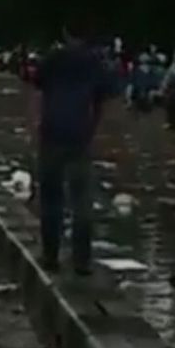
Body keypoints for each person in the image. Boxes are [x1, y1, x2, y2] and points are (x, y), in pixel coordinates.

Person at [31, 23, 117, 276]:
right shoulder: (95, 62)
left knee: (51, 199)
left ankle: (50, 257)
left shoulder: (52, 58)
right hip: (80, 137)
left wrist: (36, 126)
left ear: (65, 32)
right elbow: (103, 103)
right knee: (81, 202)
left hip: (52, 133)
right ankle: (82, 261)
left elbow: (38, 94)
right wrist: (93, 131)